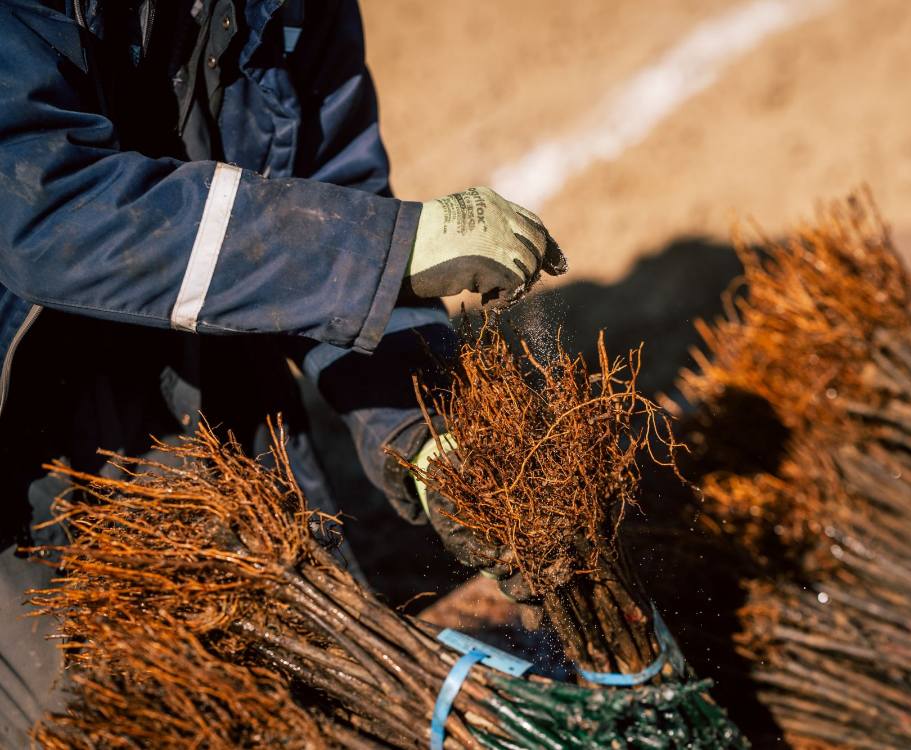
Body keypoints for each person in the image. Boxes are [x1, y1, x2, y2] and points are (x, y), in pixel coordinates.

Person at [0, 0, 566, 743]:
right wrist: (382, 250)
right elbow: (46, 212)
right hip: (25, 449)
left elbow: (330, 194)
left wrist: (425, 434)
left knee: (318, 695)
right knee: (103, 723)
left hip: (215, 372)